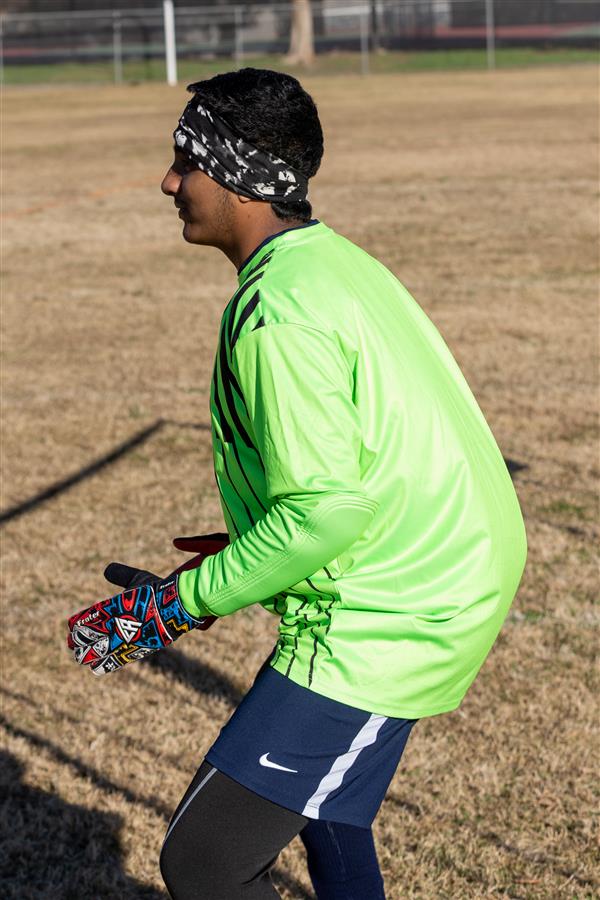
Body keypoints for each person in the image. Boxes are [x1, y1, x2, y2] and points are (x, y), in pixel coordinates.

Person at [67, 68, 528, 899]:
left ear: (241, 176)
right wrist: (248, 552)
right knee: (328, 811)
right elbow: (363, 460)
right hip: (435, 568)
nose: (170, 181)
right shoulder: (329, 262)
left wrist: (175, 605)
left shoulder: (278, 310)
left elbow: (326, 512)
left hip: (396, 608)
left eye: (187, 160)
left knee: (204, 861)